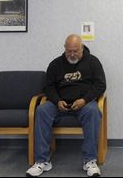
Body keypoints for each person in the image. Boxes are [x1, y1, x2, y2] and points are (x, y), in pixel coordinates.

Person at [26, 34, 106, 177]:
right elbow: (48, 87)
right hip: (59, 103)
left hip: (84, 104)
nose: (72, 54)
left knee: (93, 111)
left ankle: (90, 160)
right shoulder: (55, 64)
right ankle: (42, 161)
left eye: (76, 51)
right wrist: (57, 101)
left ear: (82, 48)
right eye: (69, 51)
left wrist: (84, 100)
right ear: (64, 48)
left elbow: (100, 85)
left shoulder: (93, 62)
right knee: (41, 110)